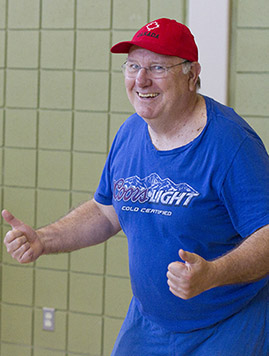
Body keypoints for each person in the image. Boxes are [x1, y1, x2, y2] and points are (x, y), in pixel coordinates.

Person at [3, 18, 269, 356]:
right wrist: (43, 239)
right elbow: (105, 212)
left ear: (191, 74)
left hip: (227, 325)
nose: (141, 79)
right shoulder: (130, 134)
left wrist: (213, 274)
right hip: (149, 324)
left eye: (157, 67)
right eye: (132, 66)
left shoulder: (231, 144)